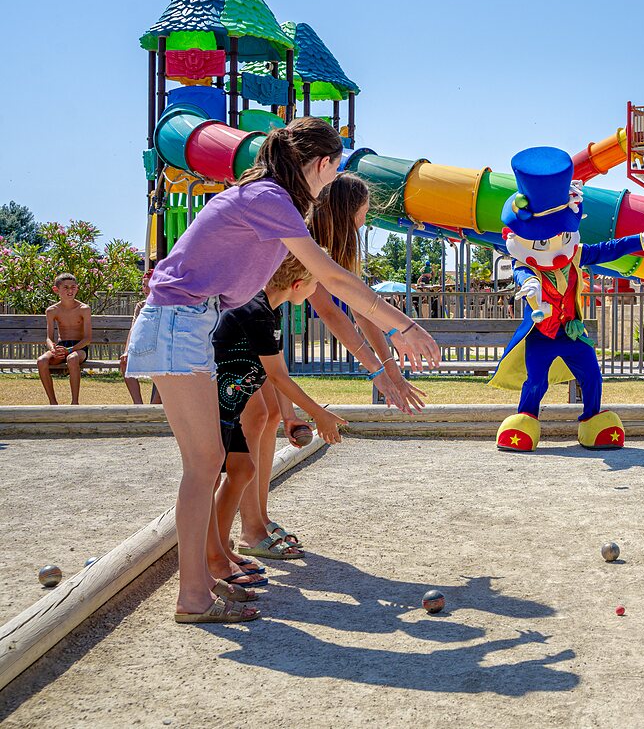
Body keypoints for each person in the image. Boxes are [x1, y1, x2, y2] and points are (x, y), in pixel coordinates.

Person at [125, 117, 440, 625]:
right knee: (204, 464)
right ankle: (194, 595)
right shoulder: (269, 197)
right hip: (177, 322)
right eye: (332, 172)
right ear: (320, 164)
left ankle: (202, 584)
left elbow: (334, 287)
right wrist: (405, 328)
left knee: (207, 462)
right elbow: (332, 277)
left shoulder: (274, 200)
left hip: (190, 323)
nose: (328, 184)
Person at [234, 173, 425, 559]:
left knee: (269, 416)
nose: (364, 223)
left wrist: (390, 370)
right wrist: (377, 372)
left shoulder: (330, 249)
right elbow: (332, 314)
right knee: (255, 418)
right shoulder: (305, 241)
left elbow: (362, 309)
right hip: (238, 319)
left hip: (255, 323)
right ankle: (249, 529)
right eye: (363, 214)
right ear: (344, 211)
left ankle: (258, 521)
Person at [212, 256, 345, 576]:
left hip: (230, 406)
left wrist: (288, 415)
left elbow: (273, 371)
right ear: (298, 285)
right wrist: (318, 415)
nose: (317, 290)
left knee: (241, 471)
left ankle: (224, 547)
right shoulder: (256, 312)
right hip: (215, 407)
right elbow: (280, 376)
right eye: (316, 284)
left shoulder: (266, 308)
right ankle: (216, 553)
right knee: (212, 478)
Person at [37, 273, 92, 405]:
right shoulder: (52, 310)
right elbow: (49, 338)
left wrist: (71, 349)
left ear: (77, 289)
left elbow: (87, 339)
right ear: (56, 290)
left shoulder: (84, 309)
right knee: (41, 361)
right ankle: (53, 402)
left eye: (73, 287)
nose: (70, 290)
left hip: (79, 348)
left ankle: (74, 403)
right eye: (66, 287)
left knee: (72, 358)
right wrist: (53, 348)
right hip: (62, 346)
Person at [121, 269, 162, 405]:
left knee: (161, 365)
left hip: (160, 347)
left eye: (149, 285)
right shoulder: (141, 306)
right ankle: (138, 405)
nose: (146, 289)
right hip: (143, 346)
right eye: (144, 285)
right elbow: (133, 329)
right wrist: (126, 351)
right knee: (124, 363)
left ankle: (154, 407)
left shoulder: (165, 304)